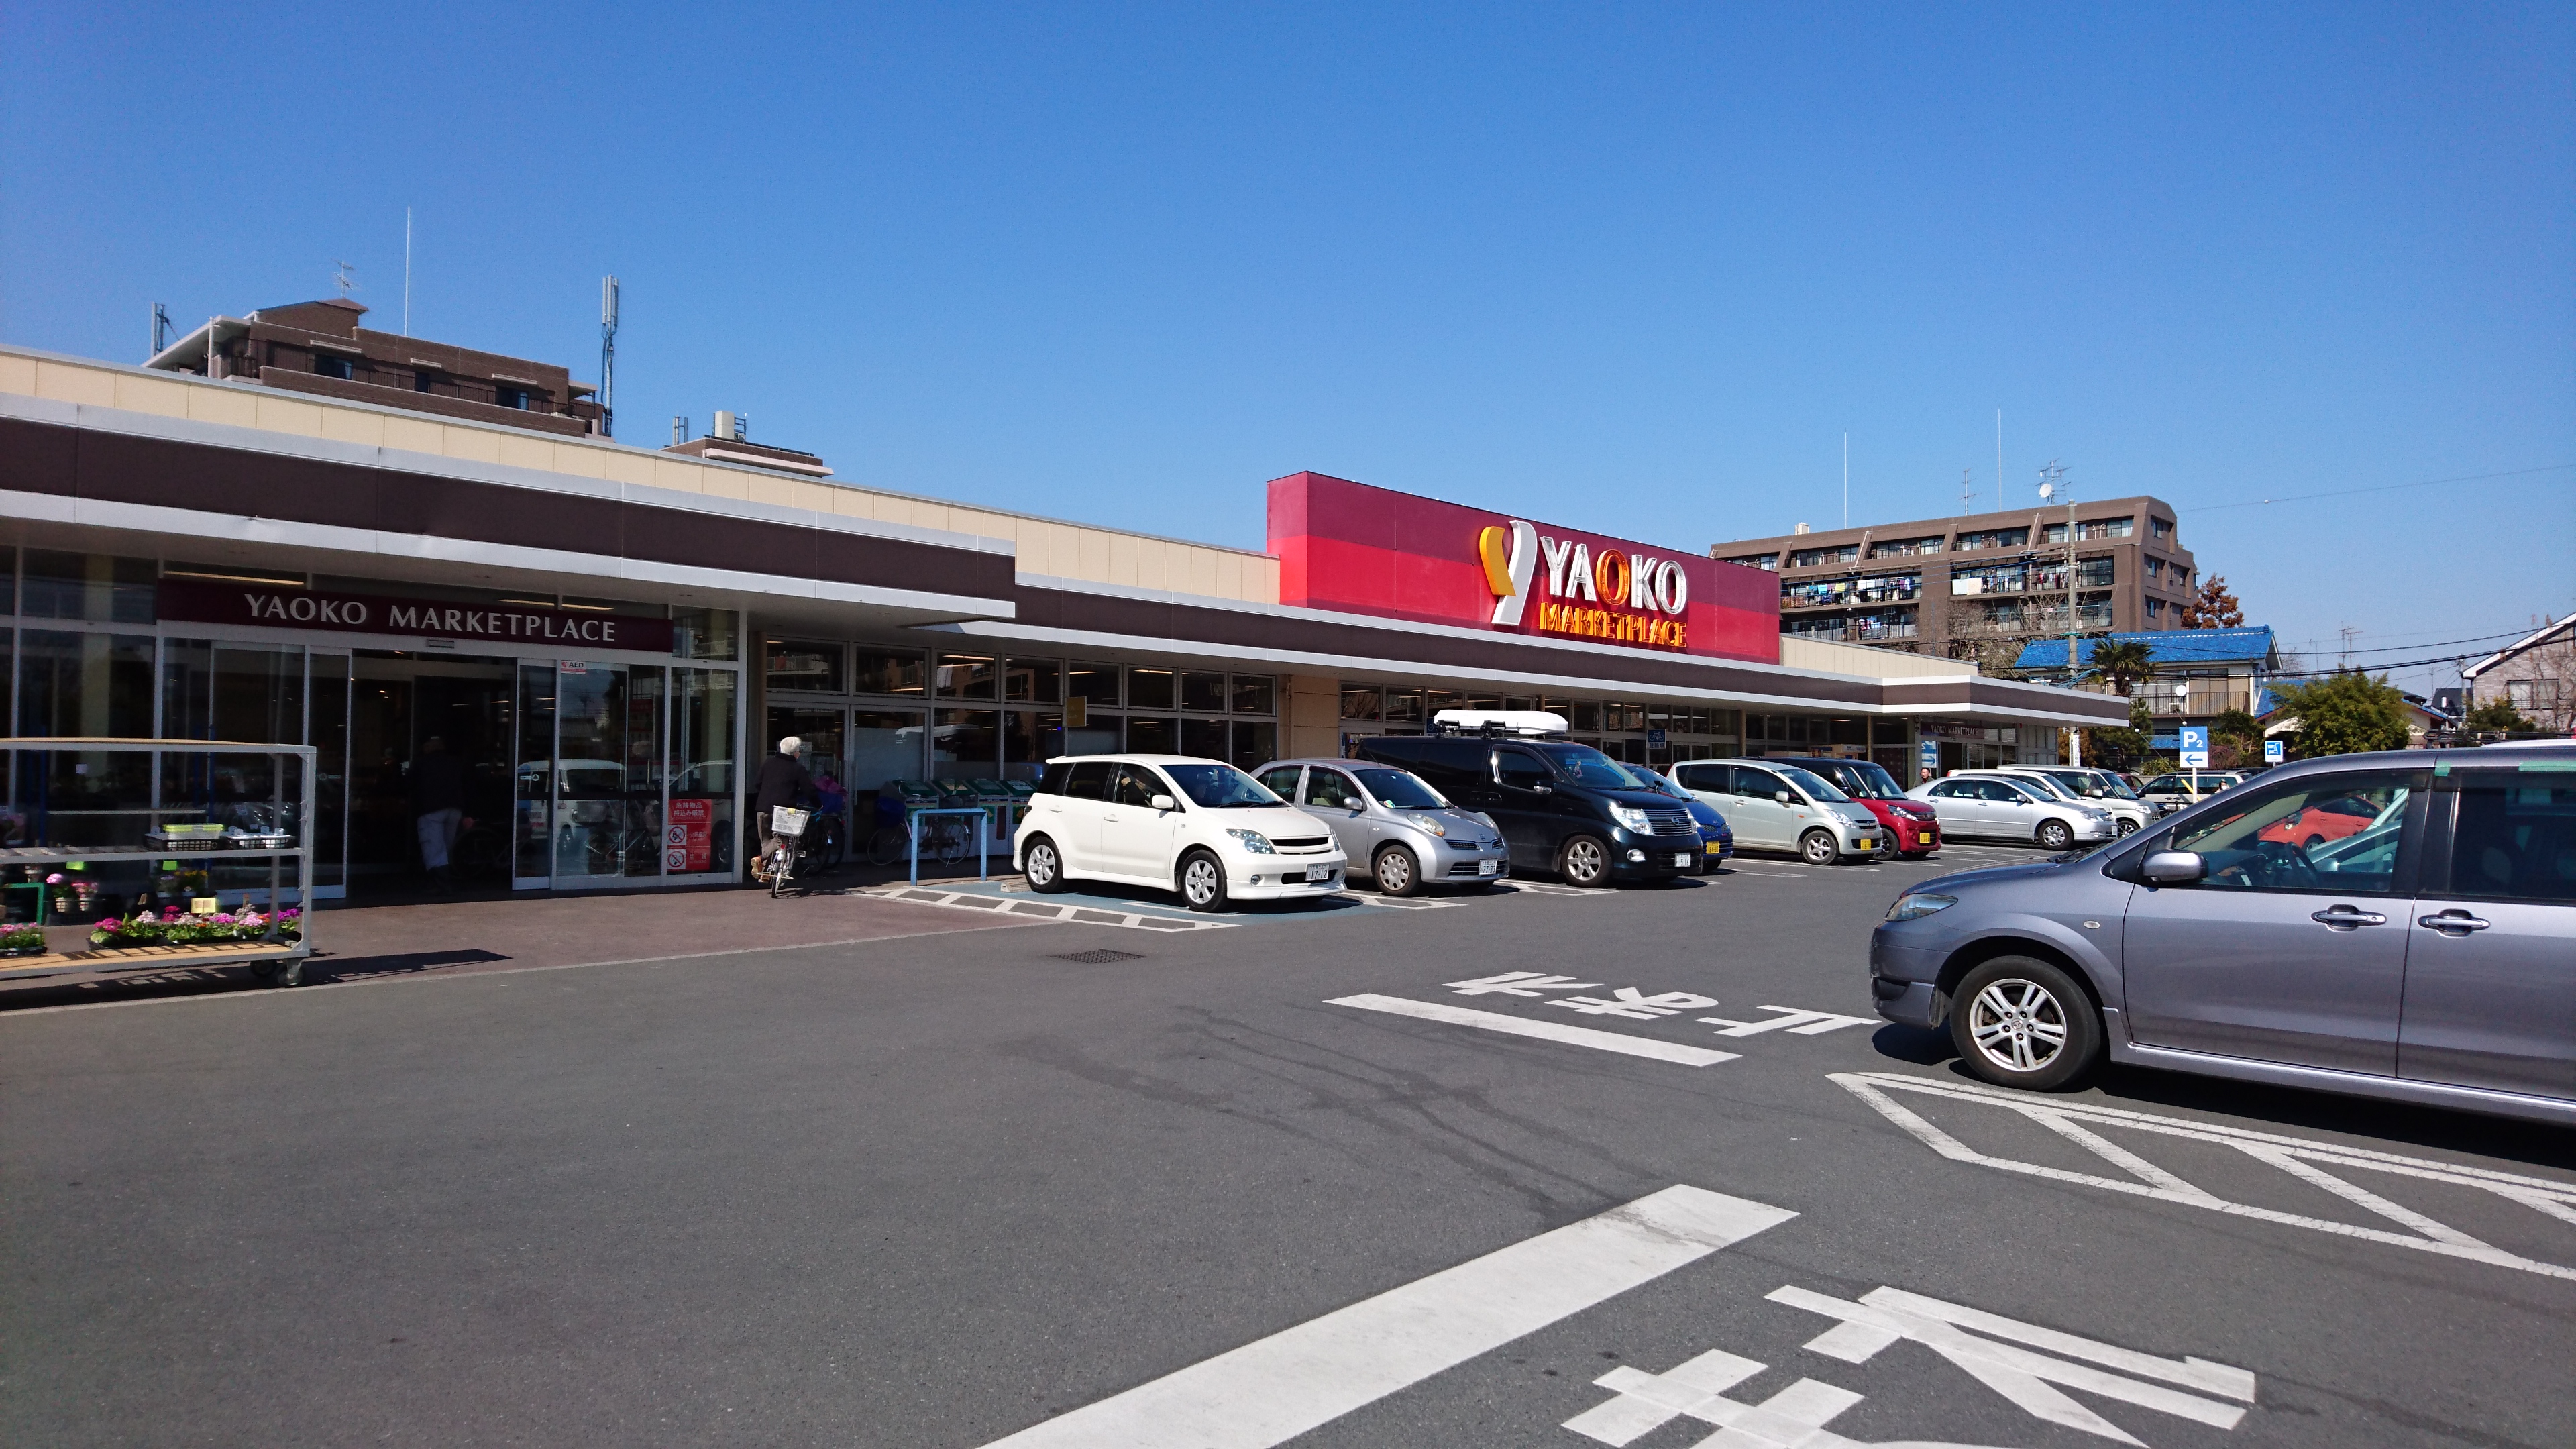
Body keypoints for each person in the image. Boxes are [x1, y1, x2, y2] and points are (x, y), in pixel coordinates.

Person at [752, 735, 817, 881]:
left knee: (766, 841)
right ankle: (760, 859)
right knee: (781, 839)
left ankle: (766, 873)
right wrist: (819, 804)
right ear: (796, 753)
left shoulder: (768, 763)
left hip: (763, 808)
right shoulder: (798, 768)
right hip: (784, 811)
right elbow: (809, 790)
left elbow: (757, 783)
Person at [411, 735, 467, 891]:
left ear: (428, 747)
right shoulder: (455, 762)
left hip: (431, 810)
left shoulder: (422, 763)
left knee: (433, 848)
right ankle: (440, 881)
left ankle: (440, 885)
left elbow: (411, 784)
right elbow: (466, 784)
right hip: (455, 809)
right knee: (445, 847)